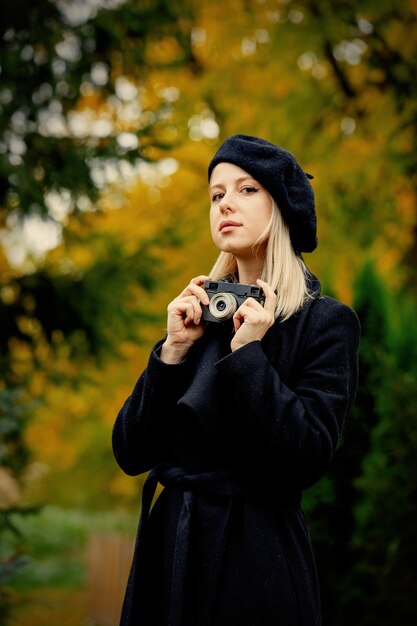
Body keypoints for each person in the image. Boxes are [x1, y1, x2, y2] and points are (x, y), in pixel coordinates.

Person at [112, 134, 360, 626]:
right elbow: (130, 452)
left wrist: (248, 353)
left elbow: (308, 455)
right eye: (216, 194)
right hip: (172, 556)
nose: (225, 203)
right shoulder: (195, 317)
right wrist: (171, 353)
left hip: (257, 561)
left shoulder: (324, 323)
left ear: (282, 205)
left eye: (246, 190)